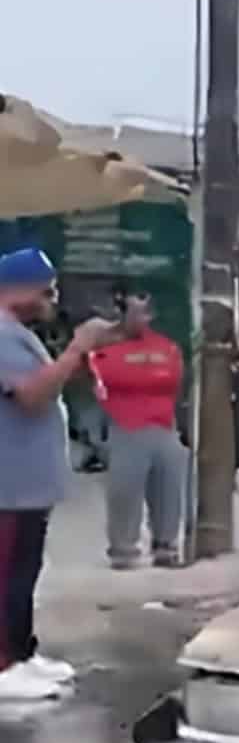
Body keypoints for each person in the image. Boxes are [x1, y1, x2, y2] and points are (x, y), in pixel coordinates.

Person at [0, 248, 114, 702]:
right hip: (8, 484)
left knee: (24, 571)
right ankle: (3, 664)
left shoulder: (19, 335)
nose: (53, 299)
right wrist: (76, 349)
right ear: (17, 290)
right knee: (7, 573)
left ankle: (21, 653)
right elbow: (31, 396)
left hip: (27, 484)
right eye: (46, 290)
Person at [88, 292, 187, 569]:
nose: (137, 319)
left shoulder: (167, 347)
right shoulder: (101, 349)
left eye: (143, 312)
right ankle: (123, 548)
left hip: (163, 426)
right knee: (124, 490)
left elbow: (174, 378)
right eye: (132, 311)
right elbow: (107, 381)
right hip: (125, 427)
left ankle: (166, 545)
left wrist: (138, 379)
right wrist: (147, 377)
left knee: (168, 489)